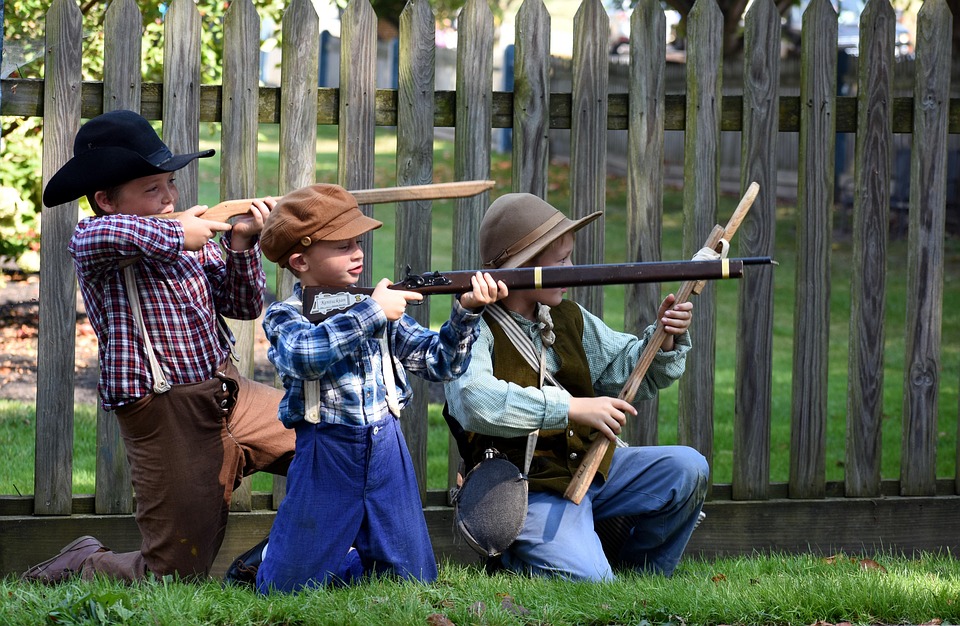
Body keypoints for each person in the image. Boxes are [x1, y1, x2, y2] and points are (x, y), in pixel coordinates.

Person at [22, 109, 296, 583]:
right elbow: (110, 234)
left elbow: (245, 305)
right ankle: (84, 562)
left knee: (333, 440)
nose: (170, 198)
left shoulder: (192, 235)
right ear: (105, 199)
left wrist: (241, 247)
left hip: (231, 396)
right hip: (166, 414)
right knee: (172, 575)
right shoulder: (96, 239)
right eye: (152, 189)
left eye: (170, 183)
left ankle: (285, 561)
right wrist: (181, 231)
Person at [254, 183, 508, 593]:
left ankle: (349, 554)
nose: (358, 252)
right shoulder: (287, 315)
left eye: (358, 242)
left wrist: (467, 313)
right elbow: (304, 357)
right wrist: (373, 311)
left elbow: (439, 363)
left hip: (387, 449)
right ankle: (295, 555)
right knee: (283, 590)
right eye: (342, 246)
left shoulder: (377, 305)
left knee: (415, 580)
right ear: (300, 260)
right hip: (325, 454)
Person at [443, 192, 709, 582]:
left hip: (591, 472)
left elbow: (627, 366)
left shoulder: (567, 316)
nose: (573, 268)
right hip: (525, 489)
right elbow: (474, 401)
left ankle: (644, 579)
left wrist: (665, 336)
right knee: (591, 582)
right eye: (562, 260)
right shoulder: (471, 330)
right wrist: (571, 408)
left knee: (688, 469)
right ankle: (520, 558)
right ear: (523, 267)